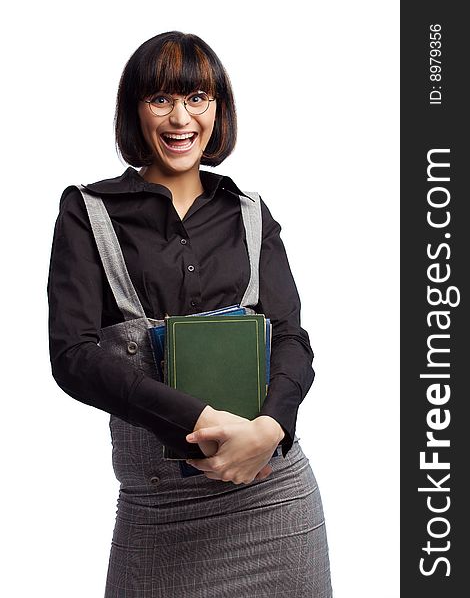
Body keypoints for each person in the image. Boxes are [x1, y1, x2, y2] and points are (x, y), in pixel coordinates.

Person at [47, 30, 333, 597]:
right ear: (135, 111)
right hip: (159, 510)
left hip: (274, 497)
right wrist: (198, 416)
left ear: (217, 110)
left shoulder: (250, 215)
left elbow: (292, 339)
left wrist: (270, 428)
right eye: (161, 99)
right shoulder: (89, 212)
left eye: (197, 99)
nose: (181, 118)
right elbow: (73, 357)